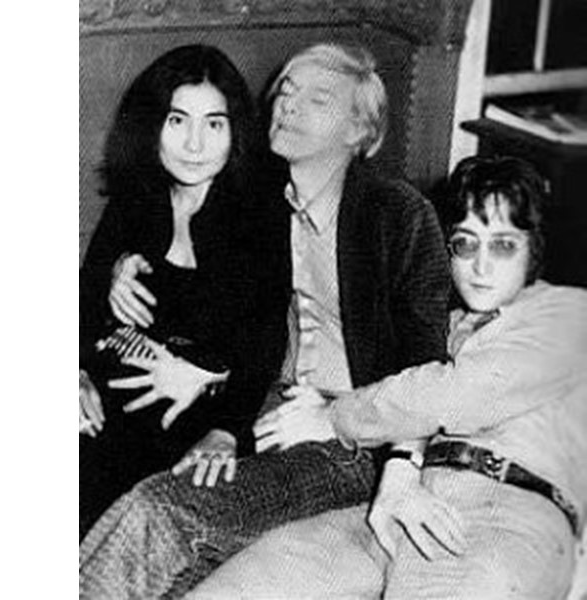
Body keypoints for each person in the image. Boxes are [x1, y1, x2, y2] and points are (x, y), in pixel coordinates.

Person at [80, 42, 451, 598]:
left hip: (342, 440)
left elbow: (426, 363)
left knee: (161, 510)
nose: (290, 105)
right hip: (258, 413)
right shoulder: (256, 202)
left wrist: (393, 460)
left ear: (360, 129)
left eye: (318, 99)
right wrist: (118, 267)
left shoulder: (396, 215)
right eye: (286, 91)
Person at [190, 155, 587, 600]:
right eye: (464, 243)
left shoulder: (569, 314)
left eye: (503, 245)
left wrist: (334, 417)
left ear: (534, 249)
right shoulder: (446, 325)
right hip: (402, 507)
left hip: (506, 515)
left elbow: (455, 394)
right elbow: (400, 391)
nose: (481, 266)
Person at [79, 44, 289, 540]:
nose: (195, 144)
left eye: (214, 124)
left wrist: (226, 430)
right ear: (151, 125)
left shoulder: (259, 209)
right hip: (107, 405)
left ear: (235, 131)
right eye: (177, 121)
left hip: (190, 416)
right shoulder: (140, 193)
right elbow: (84, 298)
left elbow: (266, 337)